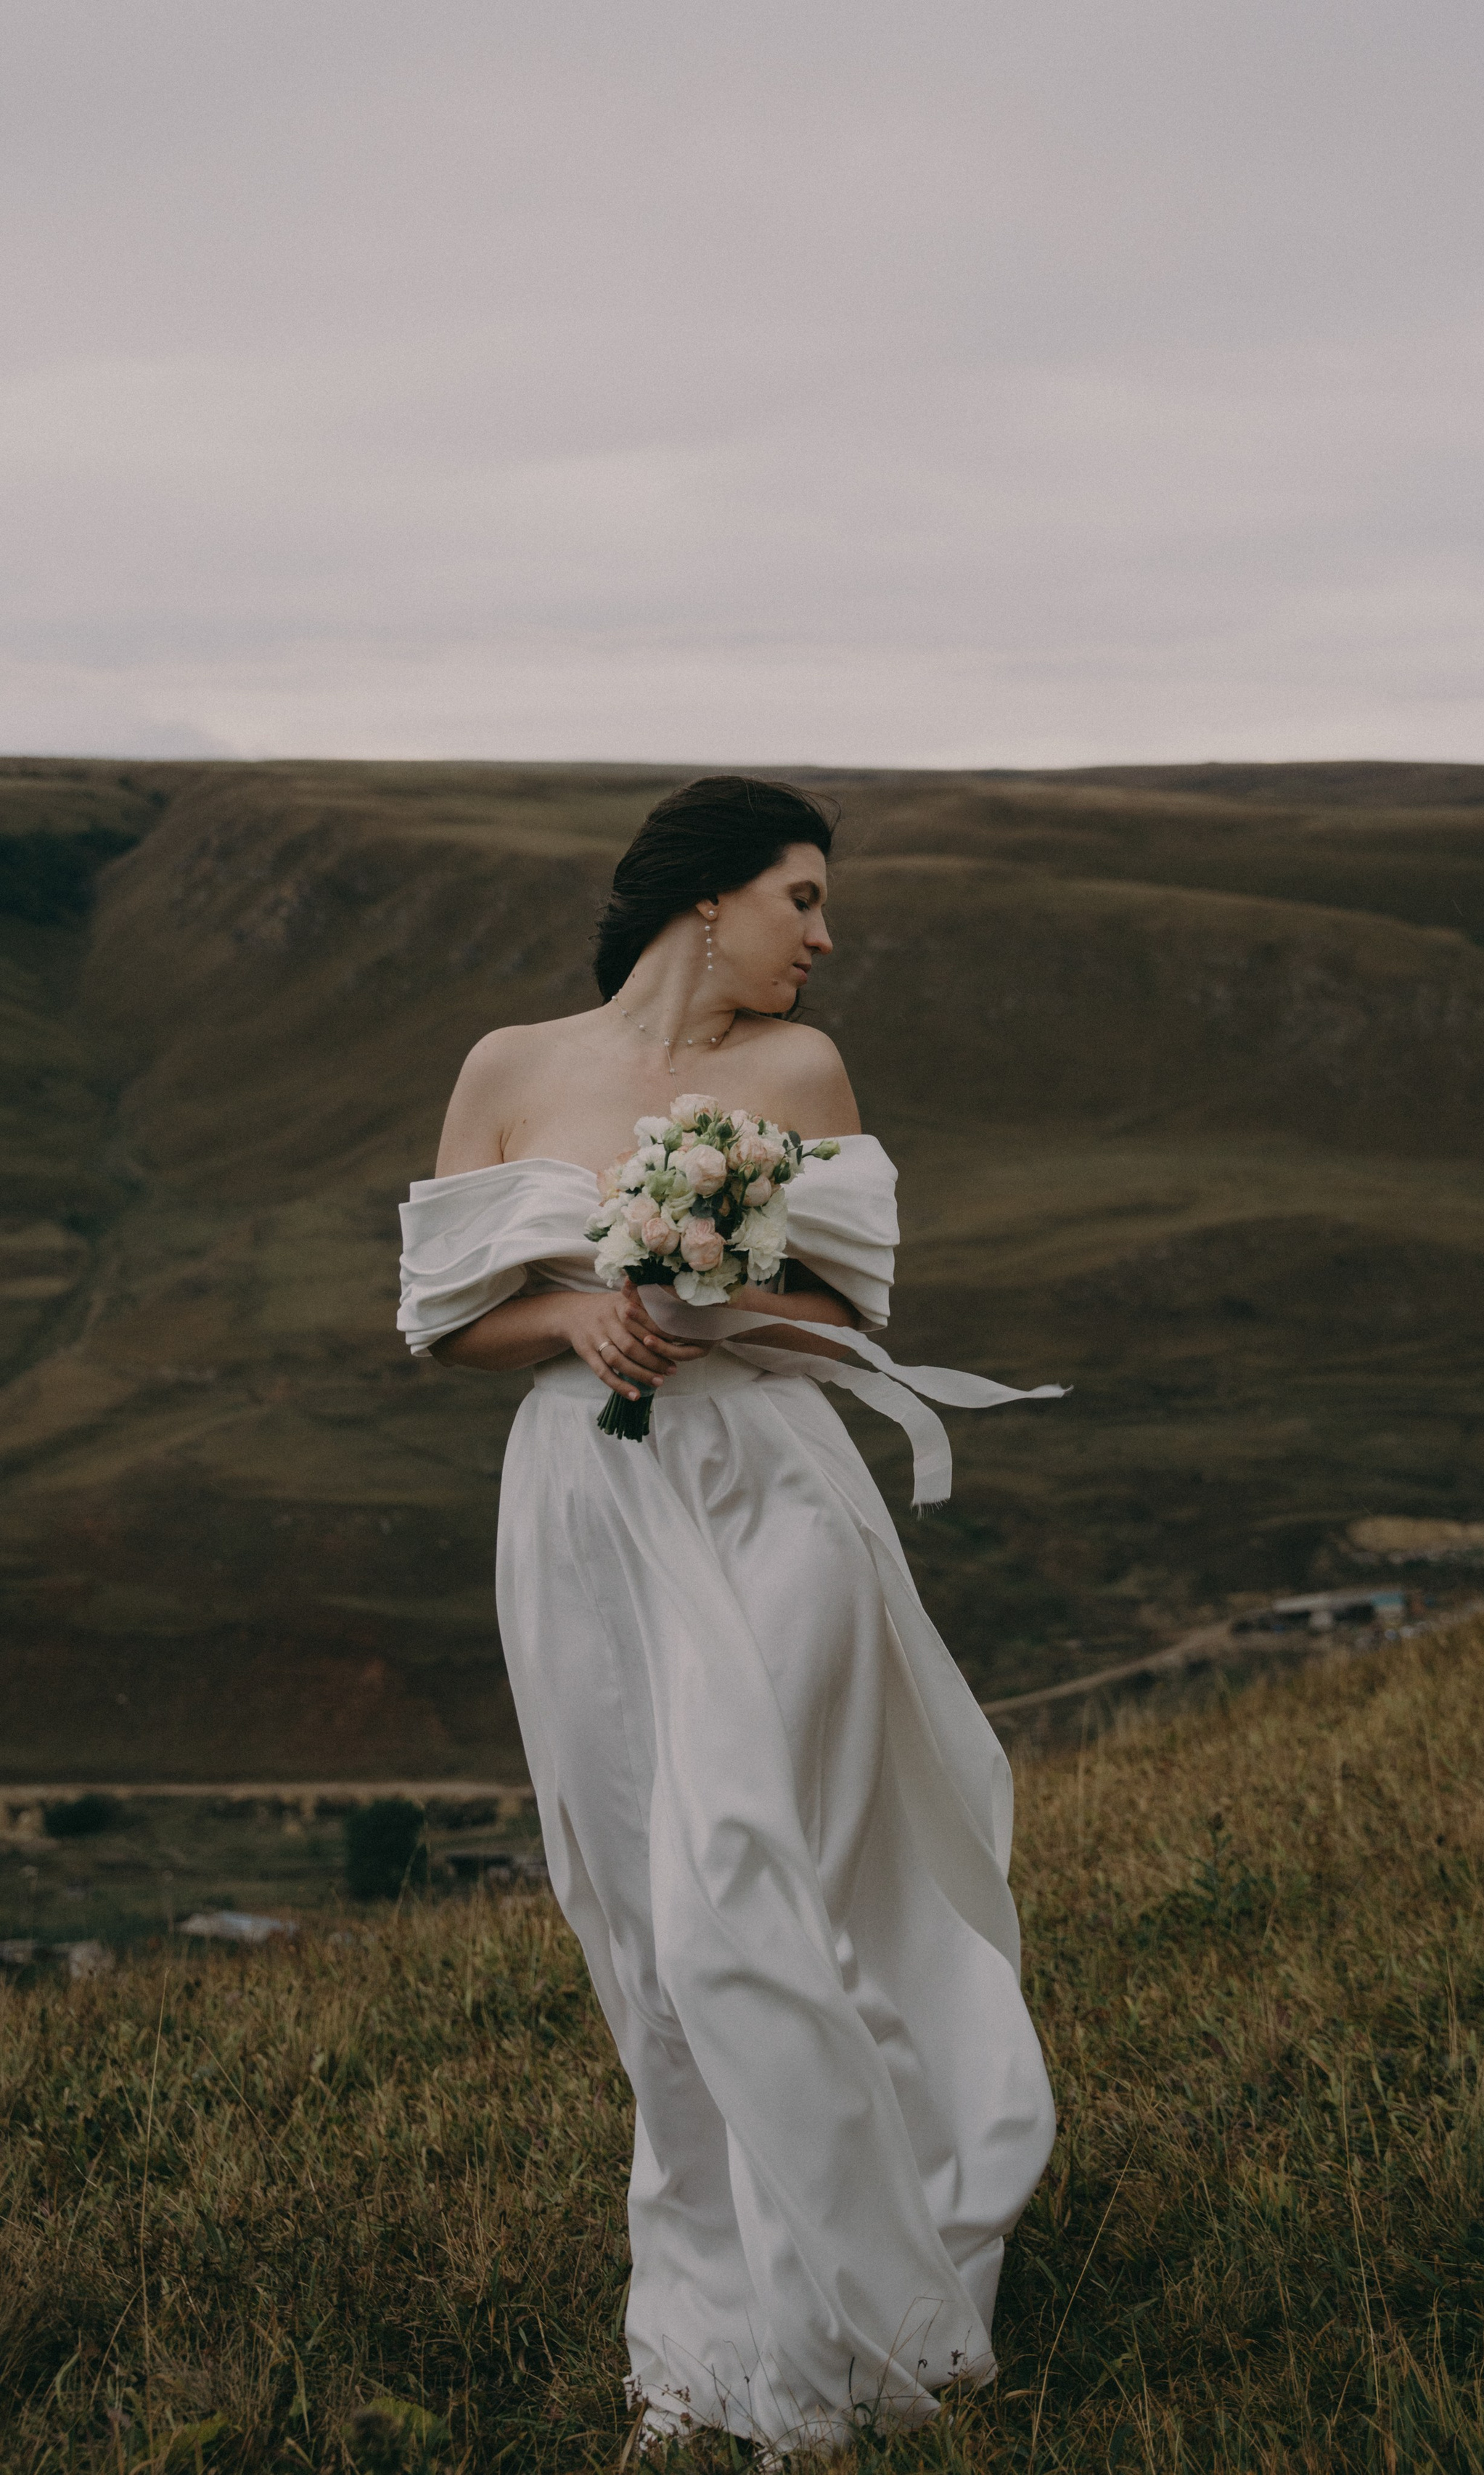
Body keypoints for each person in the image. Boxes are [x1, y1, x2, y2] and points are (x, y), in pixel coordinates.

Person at [396, 776, 1058, 2457]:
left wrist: (706, 1284)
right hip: (587, 1508)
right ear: (709, 898)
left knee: (756, 1896)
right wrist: (570, 1312)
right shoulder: (507, 1066)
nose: (823, 938)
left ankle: (850, 2333)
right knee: (649, 1934)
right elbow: (442, 1322)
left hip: (773, 1490)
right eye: (802, 899)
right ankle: (703, 2356)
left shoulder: (797, 1075)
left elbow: (846, 1320)